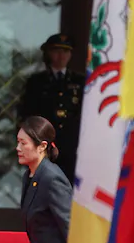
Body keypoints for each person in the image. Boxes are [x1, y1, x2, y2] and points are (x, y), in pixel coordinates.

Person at [18, 33, 85, 184]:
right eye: (57, 51)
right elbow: (27, 113)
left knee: (68, 189)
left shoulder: (80, 81)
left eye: (66, 51)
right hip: (43, 144)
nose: (61, 56)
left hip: (71, 146)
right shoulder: (36, 82)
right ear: (49, 53)